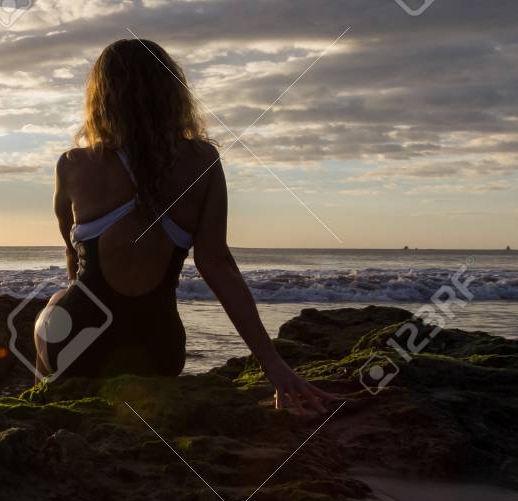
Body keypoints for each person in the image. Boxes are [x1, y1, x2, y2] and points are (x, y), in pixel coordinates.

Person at [36, 37, 336, 414]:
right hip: (159, 352)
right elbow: (218, 265)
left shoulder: (73, 165)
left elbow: (72, 259)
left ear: (101, 97)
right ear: (172, 93)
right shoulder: (203, 162)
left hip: (77, 348)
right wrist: (273, 366)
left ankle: (43, 413)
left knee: (54, 305)